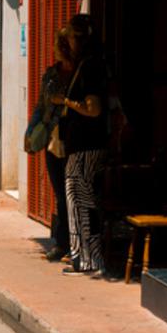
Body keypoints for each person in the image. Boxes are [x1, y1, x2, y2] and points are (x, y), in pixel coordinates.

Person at [52, 16, 109, 276]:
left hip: (85, 146)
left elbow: (93, 109)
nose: (68, 42)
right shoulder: (91, 65)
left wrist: (67, 101)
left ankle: (86, 260)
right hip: (85, 145)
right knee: (83, 201)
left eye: (72, 37)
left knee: (80, 200)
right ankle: (86, 258)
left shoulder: (89, 67)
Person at [24, 31, 79, 262]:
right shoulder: (50, 76)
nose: (56, 52)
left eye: (59, 47)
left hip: (76, 139)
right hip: (54, 140)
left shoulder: (81, 74)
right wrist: (30, 133)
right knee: (60, 193)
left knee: (74, 194)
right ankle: (62, 242)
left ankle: (74, 245)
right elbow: (40, 106)